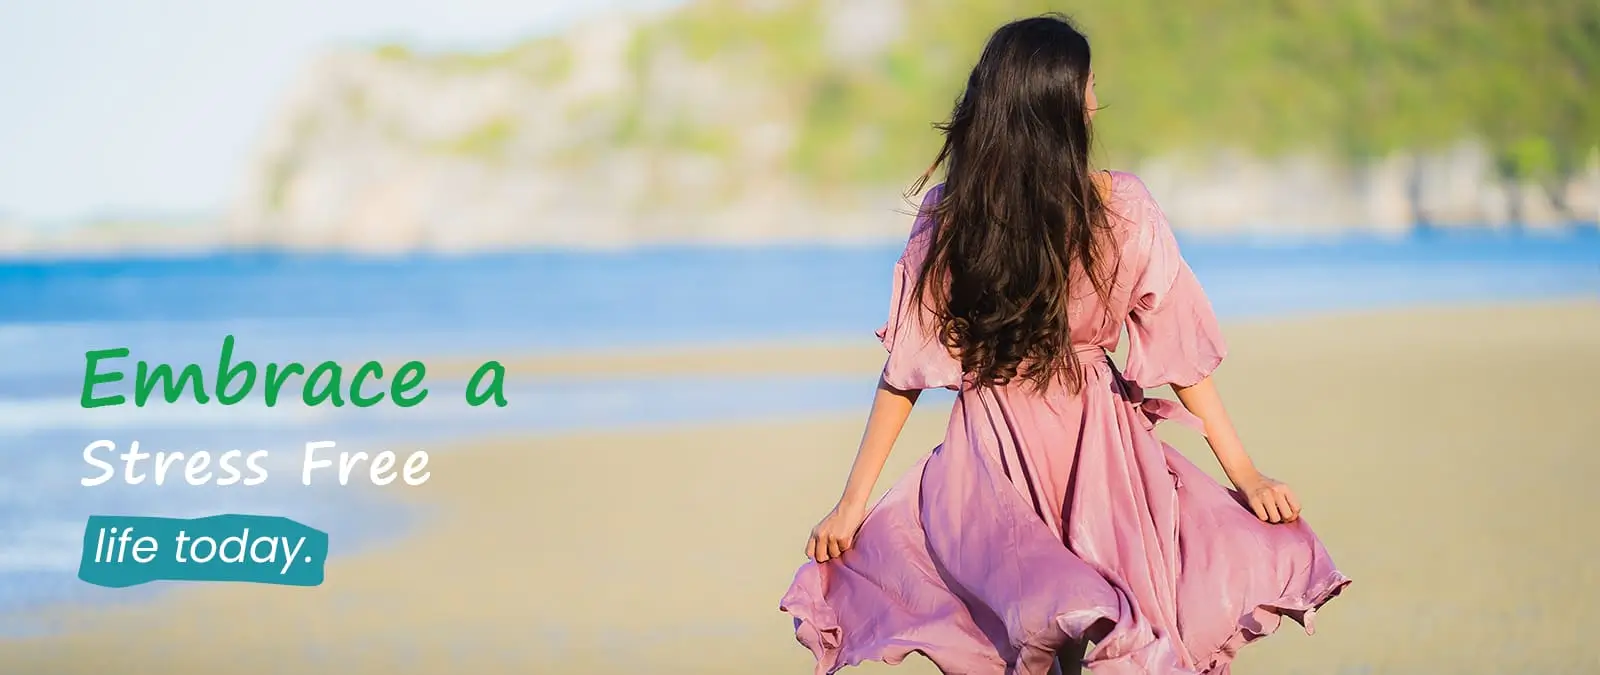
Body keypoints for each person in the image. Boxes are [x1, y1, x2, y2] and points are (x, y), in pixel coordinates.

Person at [778, 14, 1350, 675]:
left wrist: (1245, 473)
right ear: (1053, 104)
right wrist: (852, 504)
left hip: (1094, 454)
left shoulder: (1112, 209)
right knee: (1051, 624)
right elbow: (906, 366)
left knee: (1093, 625)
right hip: (1001, 457)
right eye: (1088, 85)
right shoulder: (960, 219)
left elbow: (1178, 352)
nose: (1096, 101)